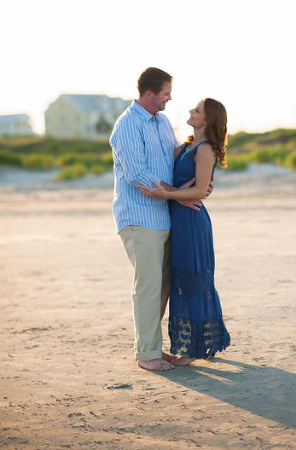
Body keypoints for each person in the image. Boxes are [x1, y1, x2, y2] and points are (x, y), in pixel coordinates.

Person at [110, 67, 208, 372]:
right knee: (149, 287)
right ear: (149, 94)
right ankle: (147, 354)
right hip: (139, 218)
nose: (169, 98)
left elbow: (175, 155)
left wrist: (201, 179)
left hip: (165, 217)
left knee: (164, 287)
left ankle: (152, 346)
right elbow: (139, 176)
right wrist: (182, 195)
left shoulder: (162, 121)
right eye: (165, 93)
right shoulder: (127, 125)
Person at [139, 98, 231, 365]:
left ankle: (194, 350)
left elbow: (201, 190)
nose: (191, 111)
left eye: (197, 110)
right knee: (182, 280)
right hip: (178, 218)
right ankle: (199, 345)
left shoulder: (206, 150)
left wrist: (167, 194)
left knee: (194, 281)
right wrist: (166, 191)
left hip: (192, 221)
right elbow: (178, 185)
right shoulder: (186, 146)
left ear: (208, 120)